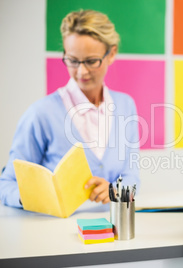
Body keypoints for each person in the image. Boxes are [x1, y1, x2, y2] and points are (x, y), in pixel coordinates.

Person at [0, 10, 140, 208]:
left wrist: (116, 191)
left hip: (113, 232)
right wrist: (34, 197)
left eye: (91, 61)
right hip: (56, 235)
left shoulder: (126, 106)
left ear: (112, 54)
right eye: (73, 61)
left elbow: (131, 175)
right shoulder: (41, 114)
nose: (81, 71)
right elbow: (6, 185)